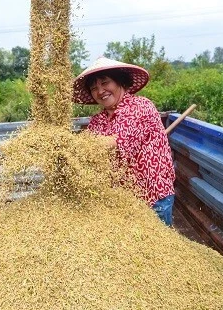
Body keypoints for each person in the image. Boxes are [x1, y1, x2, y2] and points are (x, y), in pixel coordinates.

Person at [72, 57, 176, 226]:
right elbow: (91, 155)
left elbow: (118, 142)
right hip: (122, 201)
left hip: (152, 197)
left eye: (105, 83)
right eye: (94, 88)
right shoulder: (98, 120)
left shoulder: (141, 106)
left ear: (120, 82)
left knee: (156, 249)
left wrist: (70, 143)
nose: (100, 91)